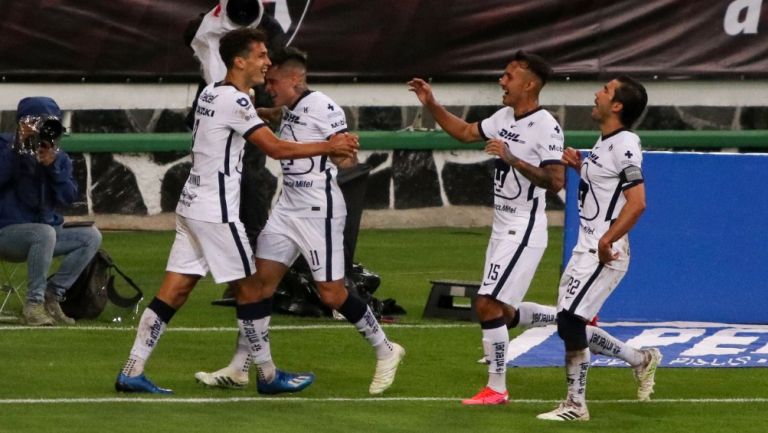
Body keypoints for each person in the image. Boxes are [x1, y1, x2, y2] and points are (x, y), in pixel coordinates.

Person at [114, 28, 359, 394]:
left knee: (175, 291)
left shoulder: (214, 91)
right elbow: (274, 149)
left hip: (192, 206)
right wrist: (329, 144)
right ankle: (268, 375)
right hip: (216, 211)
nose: (267, 62)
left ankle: (131, 370)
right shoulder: (236, 100)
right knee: (253, 290)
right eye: (261, 55)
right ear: (240, 61)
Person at [194, 47, 405, 395]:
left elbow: (346, 157)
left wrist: (342, 150)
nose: (268, 85)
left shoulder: (325, 107)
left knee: (332, 294)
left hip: (318, 211)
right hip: (287, 209)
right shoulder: (289, 106)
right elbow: (281, 118)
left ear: (295, 79)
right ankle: (239, 367)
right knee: (259, 285)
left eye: (274, 80)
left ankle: (386, 350)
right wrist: (259, 113)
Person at [409, 51, 568, 405]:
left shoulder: (546, 126)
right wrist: (432, 103)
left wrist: (512, 157)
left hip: (524, 229)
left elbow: (555, 181)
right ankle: (566, 317)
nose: (502, 81)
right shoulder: (504, 116)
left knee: (486, 305)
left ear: (529, 84)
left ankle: (496, 388)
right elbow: (466, 132)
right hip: (502, 229)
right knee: (504, 313)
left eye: (509, 76)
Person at [537, 76, 661, 422]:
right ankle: (640, 359)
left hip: (604, 251)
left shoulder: (625, 144)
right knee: (568, 323)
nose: (597, 93)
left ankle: (576, 405)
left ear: (617, 106)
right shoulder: (606, 142)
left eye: (605, 91)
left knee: (570, 321)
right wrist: (582, 168)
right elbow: (606, 186)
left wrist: (608, 240)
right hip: (587, 248)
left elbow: (637, 203)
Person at [0, 97, 102, 326]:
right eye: (37, 123)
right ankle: (33, 305)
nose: (43, 129)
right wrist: (18, 148)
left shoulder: (57, 156)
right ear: (22, 123)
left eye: (50, 123)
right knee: (44, 232)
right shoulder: (4, 145)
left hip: (44, 231)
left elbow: (68, 198)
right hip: (6, 232)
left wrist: (53, 166)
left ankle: (52, 295)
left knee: (90, 237)